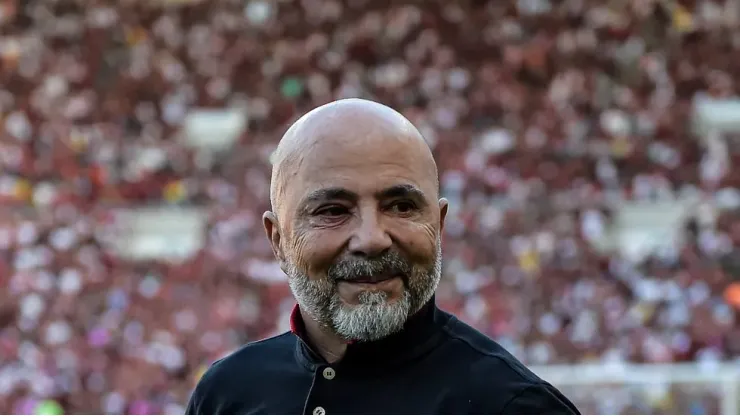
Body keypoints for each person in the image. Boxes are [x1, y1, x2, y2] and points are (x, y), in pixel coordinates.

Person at [185, 99, 580, 415]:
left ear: (438, 225)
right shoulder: (226, 395)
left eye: (402, 206)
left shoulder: (515, 406)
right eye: (332, 211)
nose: (372, 240)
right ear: (278, 240)